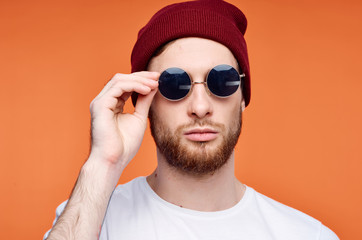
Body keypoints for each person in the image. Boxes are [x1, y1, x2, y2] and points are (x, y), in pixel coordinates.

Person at [44, 0, 339, 239]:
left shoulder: (306, 235)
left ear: (243, 98)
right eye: (175, 84)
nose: (200, 107)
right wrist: (102, 164)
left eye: (221, 81)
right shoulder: (90, 221)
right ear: (145, 100)